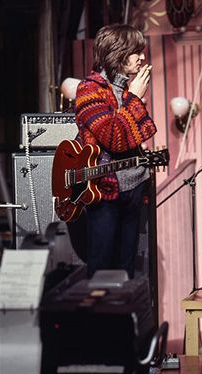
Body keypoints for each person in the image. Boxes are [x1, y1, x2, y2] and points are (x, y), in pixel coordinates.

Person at [74, 23, 157, 279]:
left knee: (126, 270)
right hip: (104, 191)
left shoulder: (126, 89)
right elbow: (114, 139)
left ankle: (123, 318)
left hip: (134, 186)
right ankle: (98, 319)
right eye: (136, 51)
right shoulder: (89, 90)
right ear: (118, 53)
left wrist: (130, 96)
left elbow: (135, 135)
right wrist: (133, 98)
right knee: (102, 267)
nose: (142, 57)